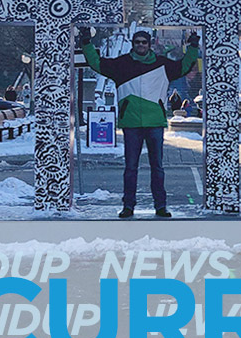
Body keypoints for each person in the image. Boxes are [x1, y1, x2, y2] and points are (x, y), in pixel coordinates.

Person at [78, 28, 200, 218]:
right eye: (138, 42)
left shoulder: (163, 65)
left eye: (144, 42)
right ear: (133, 44)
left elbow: (184, 66)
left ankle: (161, 206)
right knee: (131, 168)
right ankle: (128, 206)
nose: (141, 45)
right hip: (132, 123)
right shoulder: (121, 65)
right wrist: (86, 43)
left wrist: (193, 46)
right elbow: (96, 63)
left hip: (154, 123)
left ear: (149, 44)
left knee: (157, 168)